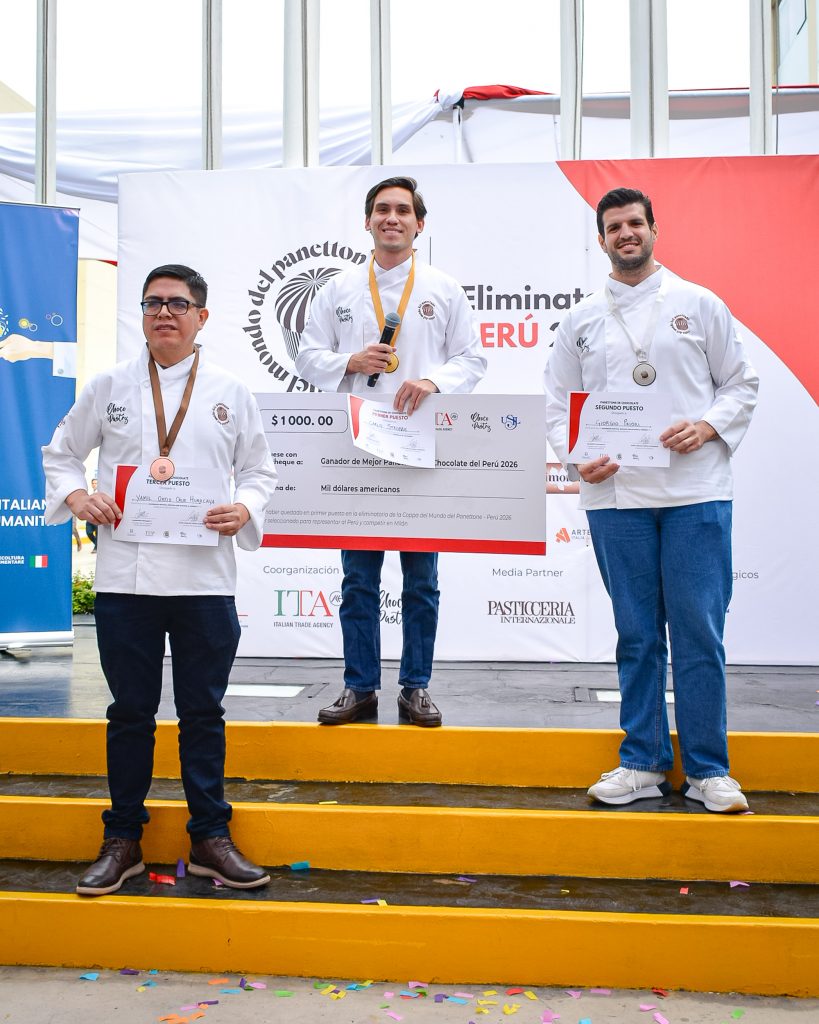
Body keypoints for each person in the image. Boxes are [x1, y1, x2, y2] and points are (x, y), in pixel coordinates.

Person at [42, 264, 278, 894]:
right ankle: (122, 839)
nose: (164, 313)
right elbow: (62, 453)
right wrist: (78, 496)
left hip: (204, 580)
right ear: (142, 315)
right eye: (153, 303)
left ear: (202, 317)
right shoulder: (109, 385)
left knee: (203, 713)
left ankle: (210, 838)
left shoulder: (231, 390)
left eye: (177, 303)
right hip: (127, 579)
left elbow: (260, 471)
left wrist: (245, 508)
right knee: (129, 713)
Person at [543, 188, 758, 813]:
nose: (626, 234)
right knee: (636, 634)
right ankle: (641, 761)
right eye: (614, 227)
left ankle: (709, 770)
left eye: (635, 223)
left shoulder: (699, 303)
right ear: (601, 239)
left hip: (695, 490)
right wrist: (577, 458)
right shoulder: (581, 319)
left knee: (698, 632)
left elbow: (741, 382)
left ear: (654, 230)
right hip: (615, 495)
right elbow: (558, 405)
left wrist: (709, 426)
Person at [296, 176, 486, 727]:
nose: (392, 218)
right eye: (382, 209)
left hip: (419, 445)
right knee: (358, 579)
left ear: (419, 224)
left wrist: (433, 381)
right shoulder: (337, 289)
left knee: (421, 581)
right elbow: (307, 354)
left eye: (403, 210)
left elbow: (472, 359)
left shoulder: (443, 288)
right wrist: (349, 362)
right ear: (367, 221)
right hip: (357, 446)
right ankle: (359, 687)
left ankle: (415, 686)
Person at [85, 478, 98, 552]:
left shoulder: (99, 494)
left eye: (96, 483)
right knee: (89, 532)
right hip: (89, 517)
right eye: (93, 483)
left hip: (97, 517)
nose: (94, 485)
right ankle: (97, 545)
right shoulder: (89, 493)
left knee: (97, 533)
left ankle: (96, 547)